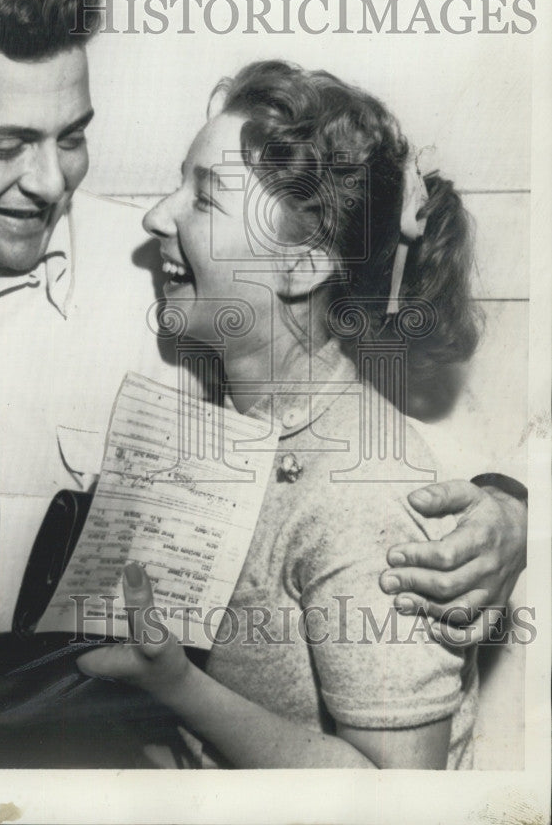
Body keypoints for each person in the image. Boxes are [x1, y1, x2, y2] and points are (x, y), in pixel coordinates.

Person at [0, 0, 526, 769]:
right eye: (6, 146)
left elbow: (358, 447)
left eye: (71, 136)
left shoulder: (167, 284)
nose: (48, 184)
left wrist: (508, 508)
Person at [76, 60, 526, 769]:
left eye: (203, 199)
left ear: (302, 265)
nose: (154, 216)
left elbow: (400, 800)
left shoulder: (361, 496)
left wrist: (175, 686)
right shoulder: (223, 419)